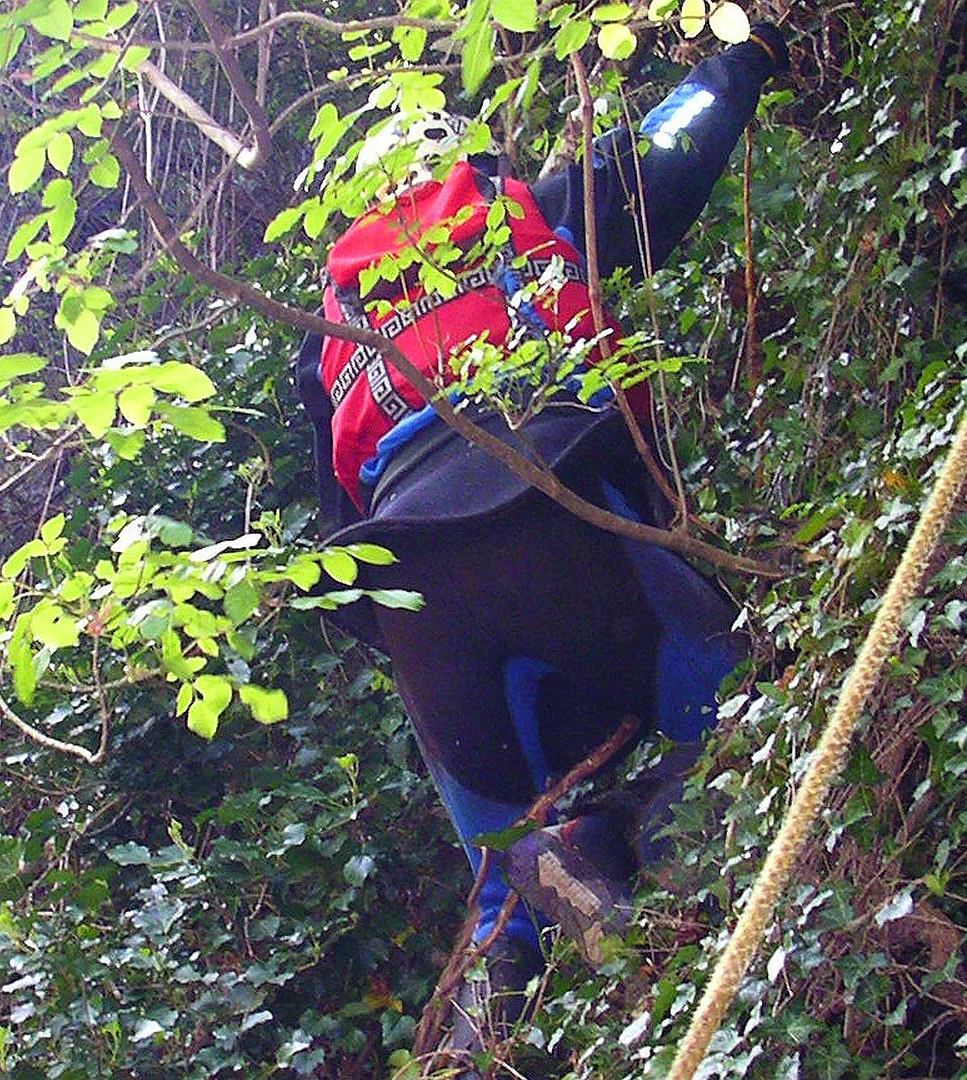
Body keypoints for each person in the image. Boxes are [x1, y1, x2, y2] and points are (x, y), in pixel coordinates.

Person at [292, 26, 790, 1070]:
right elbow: (665, 155)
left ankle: (485, 1027)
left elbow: (339, 553)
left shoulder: (335, 337)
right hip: (549, 518)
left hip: (417, 596)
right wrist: (746, 58)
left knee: (500, 875)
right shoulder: (521, 215)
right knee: (749, 715)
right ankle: (628, 836)